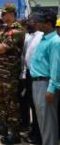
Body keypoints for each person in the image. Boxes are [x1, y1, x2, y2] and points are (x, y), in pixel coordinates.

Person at [0, 3, 25, 144]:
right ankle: (3, 126)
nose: (1, 16)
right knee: (1, 100)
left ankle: (15, 134)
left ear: (11, 14)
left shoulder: (17, 31)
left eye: (4, 14)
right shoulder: (3, 29)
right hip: (1, 71)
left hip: (10, 73)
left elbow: (1, 48)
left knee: (11, 103)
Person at [30, 10, 60, 145]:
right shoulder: (43, 38)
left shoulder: (55, 42)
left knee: (48, 121)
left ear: (48, 24)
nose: (37, 23)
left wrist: (51, 89)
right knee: (42, 119)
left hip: (45, 84)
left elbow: (56, 67)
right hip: (37, 83)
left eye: (40, 21)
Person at [20, 12, 43, 144]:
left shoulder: (40, 37)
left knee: (36, 107)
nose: (27, 22)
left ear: (34, 21)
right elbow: (26, 57)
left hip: (36, 75)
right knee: (32, 105)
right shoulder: (32, 36)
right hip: (29, 74)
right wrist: (24, 74)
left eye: (29, 20)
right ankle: (33, 130)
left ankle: (38, 135)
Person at [16, 18, 31, 132]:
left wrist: (24, 75)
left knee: (24, 101)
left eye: (18, 27)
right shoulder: (23, 38)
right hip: (20, 74)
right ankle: (23, 121)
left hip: (24, 75)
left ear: (25, 28)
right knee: (21, 100)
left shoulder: (27, 39)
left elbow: (26, 59)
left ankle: (25, 124)